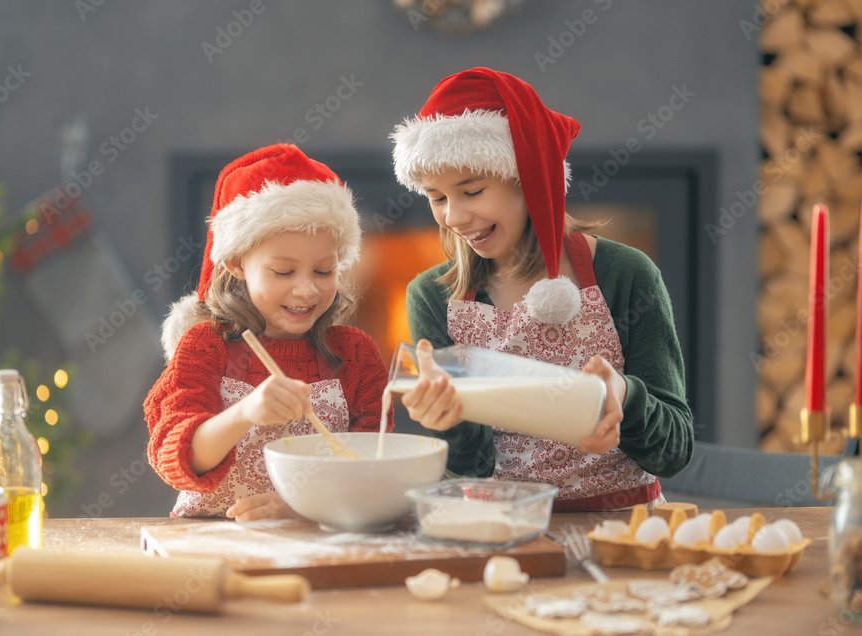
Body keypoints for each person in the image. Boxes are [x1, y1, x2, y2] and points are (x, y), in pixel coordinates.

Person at [390, 67, 694, 511]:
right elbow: (471, 467)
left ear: (528, 178)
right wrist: (449, 421)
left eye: (472, 191)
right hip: (499, 526)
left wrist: (624, 397)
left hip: (625, 525)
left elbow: (674, 452)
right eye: (437, 197)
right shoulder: (432, 296)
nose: (453, 216)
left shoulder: (626, 274)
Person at [144, 144, 391, 521]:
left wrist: (301, 507)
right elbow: (175, 457)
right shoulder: (206, 346)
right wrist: (245, 412)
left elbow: (376, 472)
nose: (307, 290)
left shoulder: (355, 356)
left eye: (324, 271)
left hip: (317, 538)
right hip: (208, 543)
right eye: (283, 271)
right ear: (237, 262)